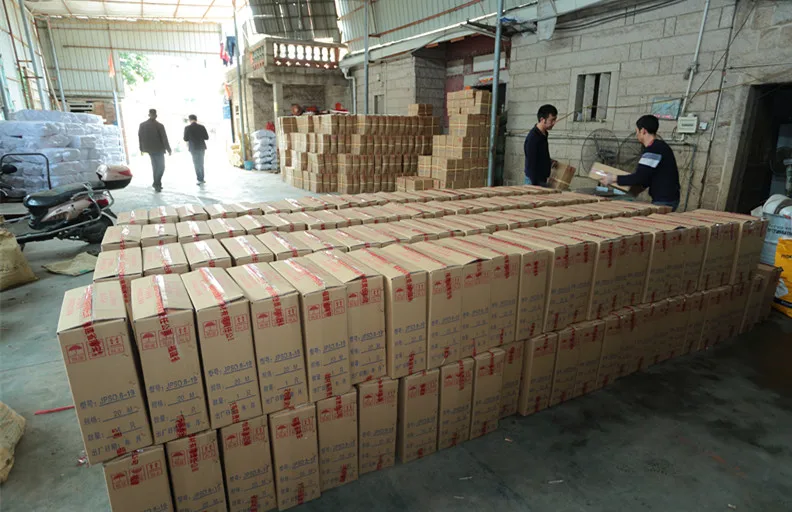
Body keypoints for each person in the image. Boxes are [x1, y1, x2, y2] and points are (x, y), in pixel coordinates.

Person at [599, 114, 681, 211]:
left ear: (643, 131)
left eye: (637, 131)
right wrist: (636, 189)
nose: (636, 134)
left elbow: (639, 177)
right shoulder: (660, 146)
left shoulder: (653, 150)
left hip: (665, 200)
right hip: (667, 197)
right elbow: (648, 175)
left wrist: (612, 178)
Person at [524, 104, 558, 186]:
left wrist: (549, 161)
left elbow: (540, 155)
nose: (554, 123)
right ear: (542, 119)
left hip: (542, 178)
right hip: (534, 180)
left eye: (555, 120)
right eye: (552, 120)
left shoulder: (544, 134)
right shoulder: (533, 137)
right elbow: (531, 162)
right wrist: (534, 184)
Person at [138, 109, 171, 192]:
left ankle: (157, 184)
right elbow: (164, 138)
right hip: (159, 149)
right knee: (161, 167)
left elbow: (140, 137)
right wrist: (168, 149)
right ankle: (156, 183)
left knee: (155, 167)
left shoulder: (142, 125)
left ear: (149, 115)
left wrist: (141, 148)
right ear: (156, 116)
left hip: (149, 150)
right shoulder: (159, 125)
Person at [183, 114, 209, 185]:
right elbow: (206, 137)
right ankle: (202, 178)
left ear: (189, 120)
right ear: (196, 119)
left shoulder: (187, 128)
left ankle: (199, 179)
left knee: (196, 163)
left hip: (193, 148)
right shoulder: (202, 127)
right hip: (201, 147)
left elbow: (185, 139)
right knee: (201, 162)